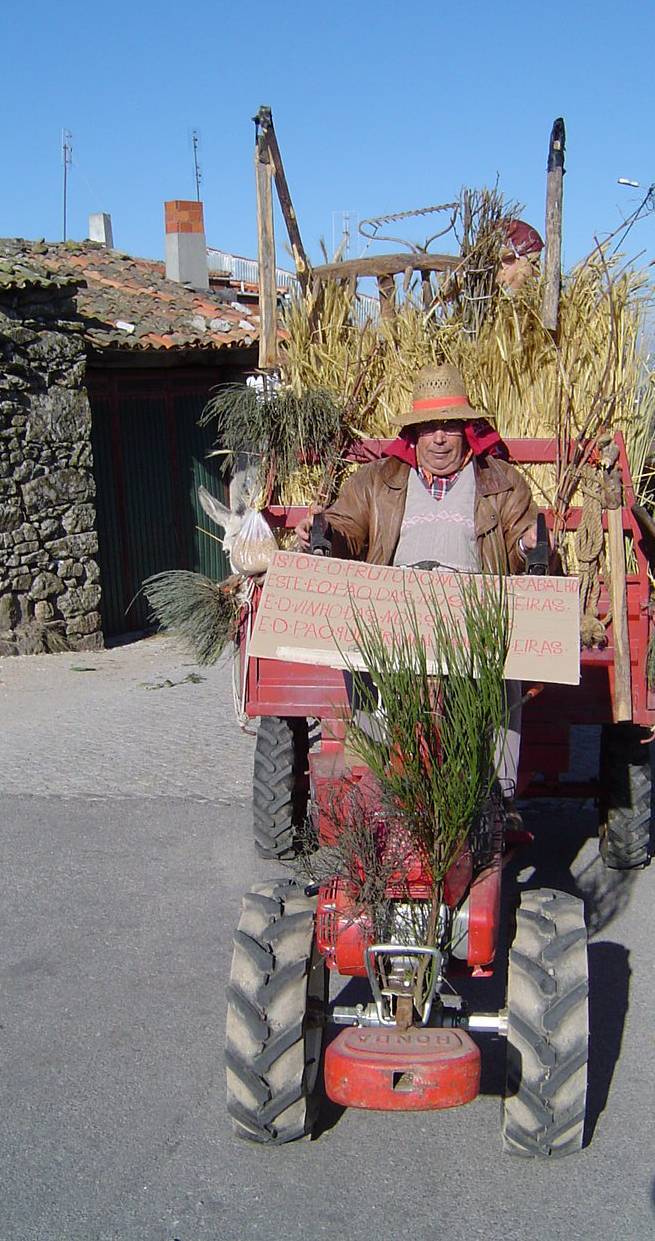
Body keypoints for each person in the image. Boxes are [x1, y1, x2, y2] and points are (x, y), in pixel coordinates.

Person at [296, 362, 539, 802]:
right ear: (415, 434)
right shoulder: (378, 480)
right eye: (429, 428)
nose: (440, 438)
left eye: (449, 426)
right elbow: (347, 529)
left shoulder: (502, 484)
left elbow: (524, 548)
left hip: (472, 619)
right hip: (397, 617)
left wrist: (528, 546)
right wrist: (325, 534)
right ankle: (375, 787)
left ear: (467, 429)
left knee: (506, 681)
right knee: (363, 670)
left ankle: (498, 801)